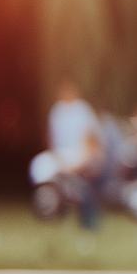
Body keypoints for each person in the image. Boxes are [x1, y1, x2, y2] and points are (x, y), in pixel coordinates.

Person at [46, 79, 105, 230]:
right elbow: (52, 137)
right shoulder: (56, 111)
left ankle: (90, 221)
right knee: (64, 188)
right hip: (62, 158)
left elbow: (91, 136)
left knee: (86, 187)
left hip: (82, 157)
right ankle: (61, 216)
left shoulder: (83, 110)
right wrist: (57, 158)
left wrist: (86, 157)